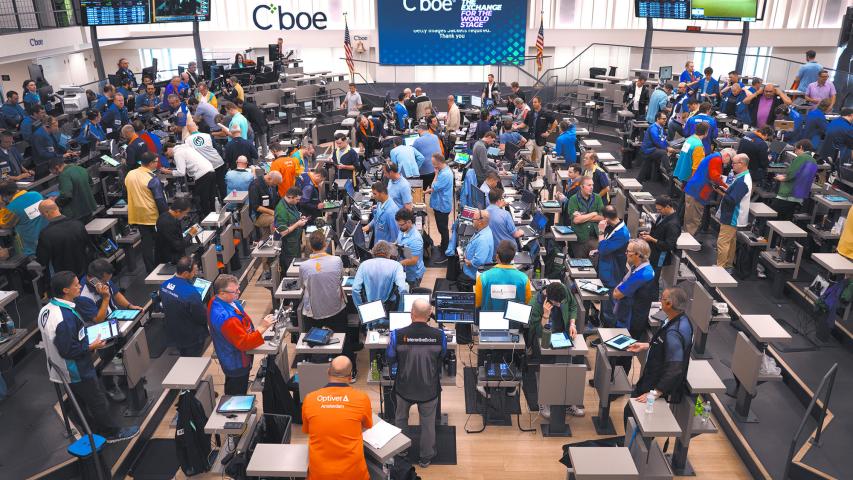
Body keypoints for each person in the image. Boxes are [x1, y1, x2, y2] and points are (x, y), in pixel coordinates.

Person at [38, 271, 140, 442]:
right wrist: (91, 346)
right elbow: (68, 351)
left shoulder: (47, 309)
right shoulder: (65, 319)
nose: (80, 286)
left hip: (61, 369)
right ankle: (111, 434)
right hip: (76, 370)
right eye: (76, 285)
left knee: (82, 402)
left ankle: (92, 431)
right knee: (98, 401)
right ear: (65, 290)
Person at [386, 299, 446, 468]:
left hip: (404, 387)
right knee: (427, 423)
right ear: (429, 316)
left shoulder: (397, 335)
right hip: (429, 389)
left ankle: (402, 450)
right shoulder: (439, 335)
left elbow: (390, 358)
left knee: (401, 418)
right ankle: (426, 457)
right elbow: (442, 356)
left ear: (411, 313)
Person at [625, 287, 693, 417]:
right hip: (652, 376)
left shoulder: (674, 333)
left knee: (630, 414)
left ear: (669, 304)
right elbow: (664, 344)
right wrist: (647, 345)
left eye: (662, 298)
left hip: (655, 382)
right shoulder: (679, 319)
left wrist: (654, 393)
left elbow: (675, 369)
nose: (660, 301)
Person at [301, 356, 372, 479]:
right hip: (354, 475)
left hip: (320, 475)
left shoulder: (309, 399)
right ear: (350, 377)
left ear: (328, 372)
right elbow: (367, 425)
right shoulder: (362, 398)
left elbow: (308, 430)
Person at [300, 231, 357, 380]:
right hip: (336, 308)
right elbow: (339, 279)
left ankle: (315, 375)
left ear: (310, 246)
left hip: (314, 311)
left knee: (312, 342)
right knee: (344, 340)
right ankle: (351, 371)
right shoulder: (336, 261)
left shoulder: (304, 266)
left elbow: (303, 285)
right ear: (325, 244)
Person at [209, 274, 274, 394]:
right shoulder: (226, 318)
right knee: (236, 391)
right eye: (234, 291)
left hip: (231, 354)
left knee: (234, 385)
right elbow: (245, 343)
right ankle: (234, 411)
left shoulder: (218, 300)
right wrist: (263, 327)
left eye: (238, 289)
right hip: (236, 361)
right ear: (222, 293)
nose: (238, 292)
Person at [527, 282, 581, 418]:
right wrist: (545, 315)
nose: (559, 305)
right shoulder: (535, 304)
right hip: (543, 340)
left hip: (563, 336)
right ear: (547, 297)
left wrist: (572, 323)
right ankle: (543, 402)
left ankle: (567, 402)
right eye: (557, 303)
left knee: (567, 369)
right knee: (546, 371)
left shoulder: (562, 290)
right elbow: (538, 333)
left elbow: (573, 306)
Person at [612, 239, 656, 375]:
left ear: (638, 255)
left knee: (623, 354)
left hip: (631, 320)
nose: (626, 254)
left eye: (628, 252)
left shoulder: (643, 274)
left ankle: (617, 385)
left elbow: (617, 294)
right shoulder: (636, 268)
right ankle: (612, 379)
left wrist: (618, 290)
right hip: (627, 314)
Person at [126, 152, 168, 271]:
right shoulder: (152, 179)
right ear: (150, 163)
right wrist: (166, 215)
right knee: (160, 242)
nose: (157, 163)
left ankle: (150, 270)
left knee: (146, 244)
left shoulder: (130, 174)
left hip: (137, 215)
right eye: (156, 161)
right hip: (152, 215)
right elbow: (159, 199)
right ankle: (162, 267)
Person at [160, 257, 209, 356]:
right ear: (186, 273)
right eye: (194, 272)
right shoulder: (191, 293)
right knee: (192, 362)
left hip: (175, 333)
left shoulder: (164, 285)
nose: (195, 274)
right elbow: (201, 317)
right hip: (192, 337)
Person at [683, 148, 736, 235]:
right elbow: (715, 177)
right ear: (727, 155)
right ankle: (689, 242)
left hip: (695, 189)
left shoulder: (714, 156)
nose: (727, 164)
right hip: (698, 191)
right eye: (729, 161)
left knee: (690, 217)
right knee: (693, 219)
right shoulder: (717, 159)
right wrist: (726, 186)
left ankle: (687, 238)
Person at [36, 199, 93, 277]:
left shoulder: (46, 234)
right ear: (57, 208)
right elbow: (88, 245)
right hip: (84, 271)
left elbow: (42, 260)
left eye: (42, 214)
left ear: (46, 213)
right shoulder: (78, 224)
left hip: (65, 277)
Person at [716, 154, 752, 273]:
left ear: (742, 164)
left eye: (734, 163)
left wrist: (721, 192)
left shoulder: (743, 181)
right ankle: (727, 265)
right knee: (731, 242)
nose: (732, 166)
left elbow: (732, 200)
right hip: (733, 215)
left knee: (723, 242)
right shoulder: (742, 177)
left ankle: (720, 267)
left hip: (732, 215)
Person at [474, 239, 531, 312]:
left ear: (497, 257)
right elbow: (527, 302)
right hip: (514, 321)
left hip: (489, 320)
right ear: (513, 258)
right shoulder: (524, 279)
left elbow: (478, 303)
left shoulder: (483, 278)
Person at [164, 140, 216, 217]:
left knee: (202, 199)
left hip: (202, 174)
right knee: (211, 197)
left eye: (167, 155)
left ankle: (207, 220)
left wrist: (168, 172)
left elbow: (181, 172)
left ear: (168, 149)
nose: (169, 157)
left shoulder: (178, 153)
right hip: (210, 170)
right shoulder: (185, 147)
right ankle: (215, 216)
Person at [596, 205, 629, 326]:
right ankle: (602, 326)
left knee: (609, 307)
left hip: (612, 273)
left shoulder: (622, 233)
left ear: (606, 218)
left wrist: (600, 231)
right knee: (604, 303)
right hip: (606, 268)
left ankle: (608, 332)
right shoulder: (613, 226)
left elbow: (604, 249)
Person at [352, 241, 409, 311]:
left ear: (373, 252)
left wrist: (361, 309)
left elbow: (355, 289)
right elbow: (402, 290)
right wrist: (400, 311)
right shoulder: (396, 265)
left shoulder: (364, 265)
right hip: (389, 309)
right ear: (389, 253)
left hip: (369, 309)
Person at [640, 195, 681, 289]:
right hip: (653, 251)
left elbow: (668, 245)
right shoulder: (663, 215)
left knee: (653, 280)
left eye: (660, 209)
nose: (658, 212)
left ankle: (651, 297)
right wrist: (648, 234)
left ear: (668, 206)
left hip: (660, 255)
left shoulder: (673, 225)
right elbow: (658, 230)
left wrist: (651, 239)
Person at [772, 140, 818, 221]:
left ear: (801, 147)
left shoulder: (801, 158)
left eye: (796, 150)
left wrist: (782, 177)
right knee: (787, 218)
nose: (795, 153)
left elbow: (791, 174)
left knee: (774, 215)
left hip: (788, 194)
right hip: (799, 195)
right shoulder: (814, 161)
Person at [183, 116, 227, 200]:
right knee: (222, 184)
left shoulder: (187, 140)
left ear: (188, 130)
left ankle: (214, 207)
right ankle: (226, 204)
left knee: (211, 188)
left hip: (205, 168)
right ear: (197, 127)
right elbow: (217, 148)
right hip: (217, 162)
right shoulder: (207, 136)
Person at [0, 180, 46, 257]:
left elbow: (5, 225)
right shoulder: (36, 194)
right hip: (47, 237)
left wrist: (2, 207)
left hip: (31, 247)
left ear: (5, 195)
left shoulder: (12, 208)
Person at [565, 176, 604, 258]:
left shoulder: (597, 198)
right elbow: (576, 220)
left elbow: (602, 217)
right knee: (580, 265)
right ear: (582, 187)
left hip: (594, 238)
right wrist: (593, 213)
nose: (592, 187)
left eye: (592, 185)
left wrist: (583, 216)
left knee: (595, 263)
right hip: (579, 238)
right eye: (589, 185)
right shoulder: (573, 199)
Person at [50, 158, 97, 222]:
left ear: (57, 167)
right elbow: (91, 184)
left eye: (54, 172)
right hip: (89, 208)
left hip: (76, 213)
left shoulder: (64, 175)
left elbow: (66, 196)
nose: (55, 174)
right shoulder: (81, 168)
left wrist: (55, 201)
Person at [274, 187, 308, 274]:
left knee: (297, 265)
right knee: (290, 269)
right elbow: (283, 232)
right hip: (288, 245)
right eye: (297, 199)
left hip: (295, 241)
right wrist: (298, 224)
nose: (298, 201)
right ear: (290, 197)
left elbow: (292, 217)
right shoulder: (281, 210)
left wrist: (300, 218)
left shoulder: (291, 204)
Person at [426, 153, 453, 258]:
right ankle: (443, 246)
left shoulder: (444, 174)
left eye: (433, 163)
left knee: (443, 229)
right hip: (439, 205)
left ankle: (444, 251)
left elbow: (434, 186)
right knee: (441, 229)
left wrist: (436, 175)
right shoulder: (443, 171)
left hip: (442, 206)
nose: (432, 165)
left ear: (438, 163)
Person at [154, 197, 194, 265]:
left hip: (166, 255)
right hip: (170, 260)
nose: (185, 215)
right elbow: (178, 246)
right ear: (178, 211)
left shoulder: (163, 216)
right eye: (185, 213)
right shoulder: (169, 223)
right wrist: (190, 235)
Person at [639, 111, 677, 182]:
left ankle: (639, 180)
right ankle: (670, 172)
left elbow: (663, 140)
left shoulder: (660, 127)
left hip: (653, 149)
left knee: (645, 168)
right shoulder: (653, 128)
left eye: (666, 119)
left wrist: (668, 146)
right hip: (648, 150)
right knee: (663, 153)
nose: (665, 120)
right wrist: (667, 148)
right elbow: (657, 140)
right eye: (663, 119)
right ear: (657, 119)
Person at [395, 209, 426, 288]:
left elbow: (413, 260)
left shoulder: (416, 239)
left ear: (409, 222)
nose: (399, 227)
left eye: (401, 225)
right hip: (404, 268)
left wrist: (397, 264)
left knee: (411, 294)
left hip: (413, 275)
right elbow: (399, 241)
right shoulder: (403, 229)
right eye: (398, 224)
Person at [522, 97, 557, 165]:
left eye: (535, 102)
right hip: (530, 138)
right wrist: (515, 127)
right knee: (527, 156)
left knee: (538, 159)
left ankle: (536, 173)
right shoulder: (530, 113)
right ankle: (528, 172)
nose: (533, 104)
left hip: (540, 139)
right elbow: (524, 124)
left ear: (539, 102)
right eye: (533, 102)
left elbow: (555, 122)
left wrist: (549, 132)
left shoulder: (546, 113)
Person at [461, 209, 494, 281]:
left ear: (480, 222)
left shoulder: (483, 240)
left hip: (472, 276)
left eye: (474, 219)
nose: (472, 220)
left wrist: (469, 263)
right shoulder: (483, 230)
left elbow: (479, 260)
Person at [248, 170, 283, 235]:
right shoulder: (255, 185)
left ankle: (271, 239)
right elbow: (256, 207)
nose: (275, 186)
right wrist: (273, 212)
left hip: (270, 211)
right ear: (269, 178)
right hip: (257, 215)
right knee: (276, 219)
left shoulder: (271, 184)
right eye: (275, 184)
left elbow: (276, 199)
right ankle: (276, 241)